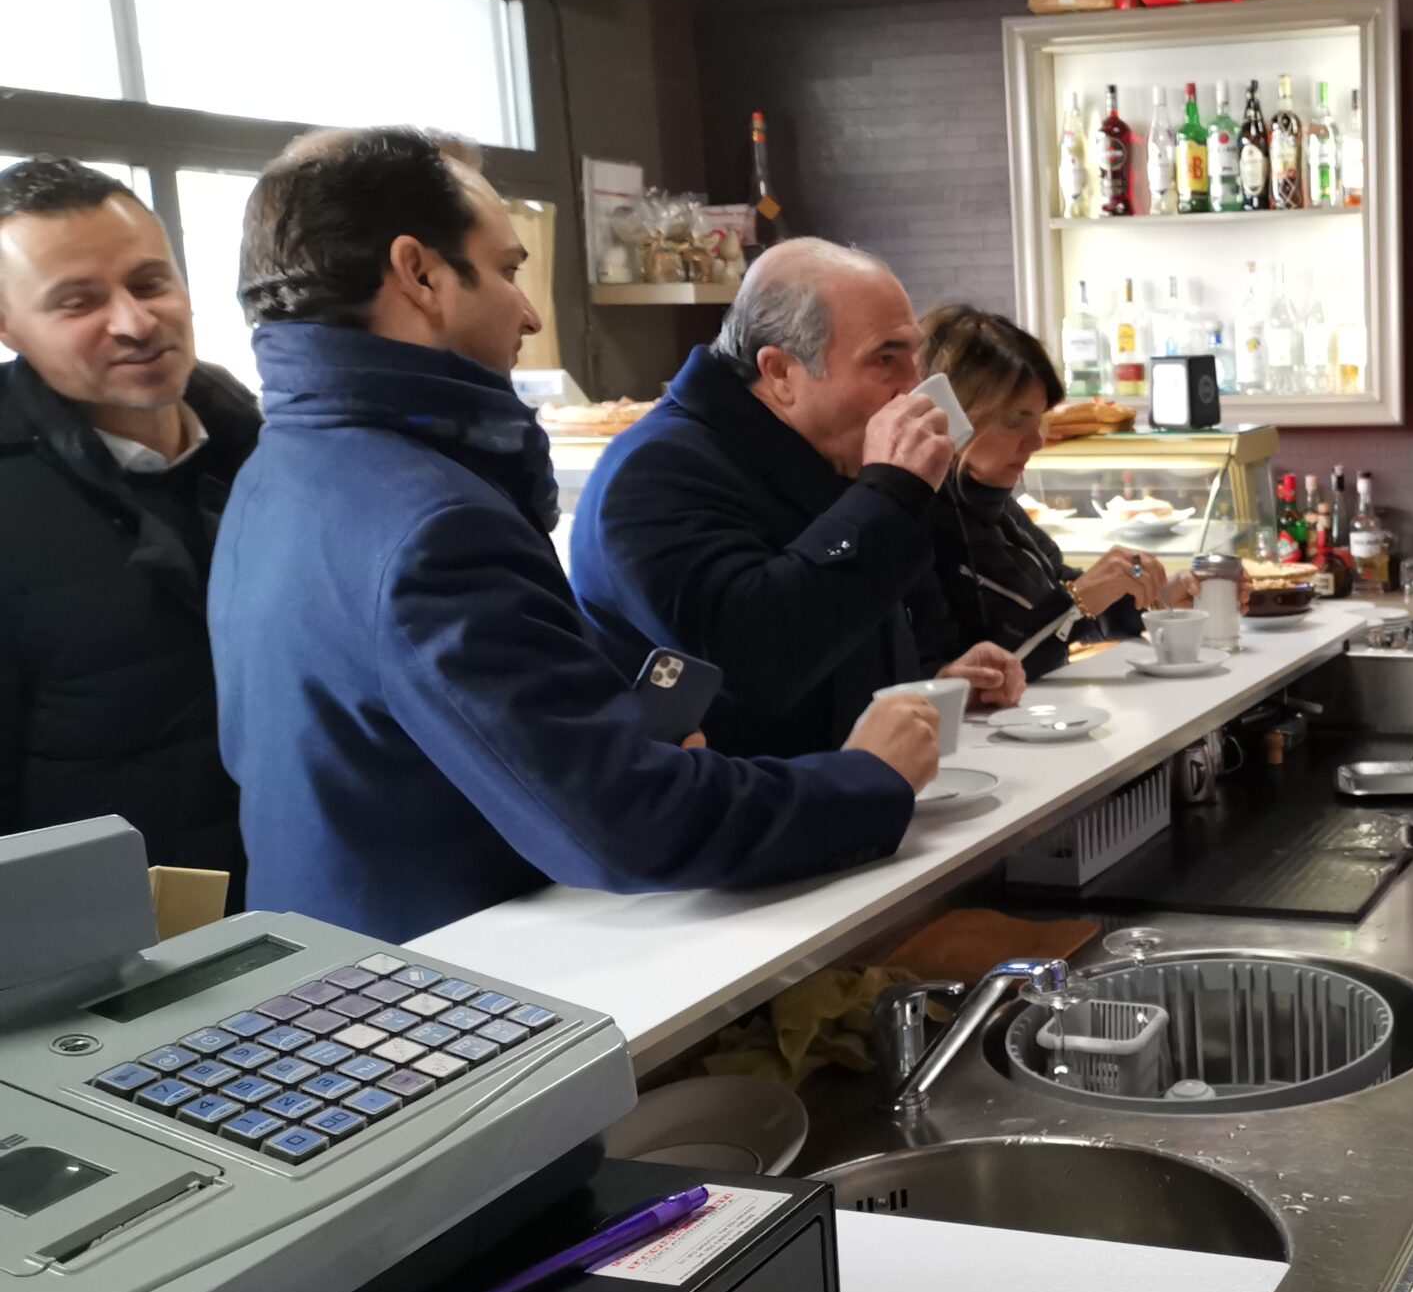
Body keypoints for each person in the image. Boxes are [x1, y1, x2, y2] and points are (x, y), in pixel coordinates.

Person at [209, 127, 939, 943]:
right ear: (419, 274)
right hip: (464, 972)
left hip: (345, 955)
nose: (528, 312)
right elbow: (626, 819)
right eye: (508, 270)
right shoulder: (436, 524)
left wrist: (617, 729)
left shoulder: (277, 471)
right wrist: (866, 780)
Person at [571, 240, 1026, 758]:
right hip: (739, 803)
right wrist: (891, 493)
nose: (914, 388)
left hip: (845, 793)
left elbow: (833, 630)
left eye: (914, 360)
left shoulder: (821, 450)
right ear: (781, 372)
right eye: (885, 359)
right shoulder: (656, 474)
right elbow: (758, 663)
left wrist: (934, 681)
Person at [0, 156, 260, 885]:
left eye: (150, 283)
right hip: (104, 923)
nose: (135, 323)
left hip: (295, 897)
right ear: (8, 324)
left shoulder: (262, 449)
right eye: (78, 302)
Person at [907, 303, 1200, 679]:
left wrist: (1158, 598)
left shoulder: (997, 505)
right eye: (1015, 421)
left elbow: (1067, 609)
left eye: (1039, 420)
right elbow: (973, 672)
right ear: (954, 415)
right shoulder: (917, 527)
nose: (1036, 442)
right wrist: (1078, 601)